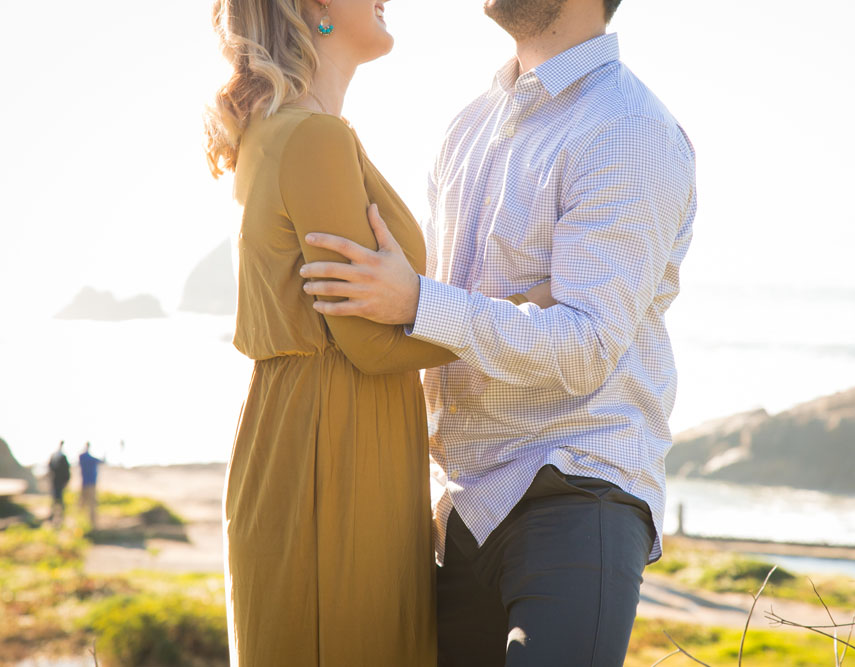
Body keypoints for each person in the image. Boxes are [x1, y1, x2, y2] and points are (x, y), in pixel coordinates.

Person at [299, 0, 698, 663]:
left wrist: (416, 299)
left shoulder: (628, 128)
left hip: (575, 491)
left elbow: (586, 345)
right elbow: (450, 318)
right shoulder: (469, 125)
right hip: (463, 509)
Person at [203, 1, 554, 664]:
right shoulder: (313, 138)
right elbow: (367, 341)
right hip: (330, 452)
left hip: (307, 437)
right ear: (313, 9)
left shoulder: (283, 132)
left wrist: (427, 305)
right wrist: (520, 306)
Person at [78, 442, 104, 527]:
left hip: (85, 482)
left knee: (82, 502)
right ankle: (91, 523)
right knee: (91, 503)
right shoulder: (89, 458)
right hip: (91, 483)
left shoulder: (83, 457)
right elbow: (101, 461)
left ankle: (80, 521)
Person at [47, 441, 70, 525]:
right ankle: (54, 515)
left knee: (59, 499)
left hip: (59, 482)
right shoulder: (56, 456)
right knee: (55, 499)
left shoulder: (60, 457)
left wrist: (66, 480)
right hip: (55, 481)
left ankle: (60, 516)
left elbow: (66, 471)